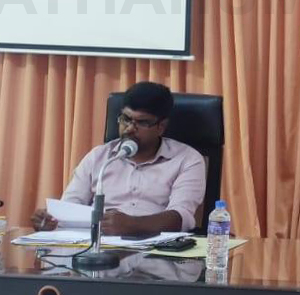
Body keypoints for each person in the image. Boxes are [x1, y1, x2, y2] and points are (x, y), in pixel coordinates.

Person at [30, 82, 206, 237]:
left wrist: (132, 225)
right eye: (126, 119)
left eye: (141, 122)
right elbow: (70, 207)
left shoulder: (187, 159)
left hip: (156, 252)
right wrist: (51, 220)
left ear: (161, 126)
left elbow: (181, 217)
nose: (129, 129)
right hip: (96, 247)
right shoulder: (99, 157)